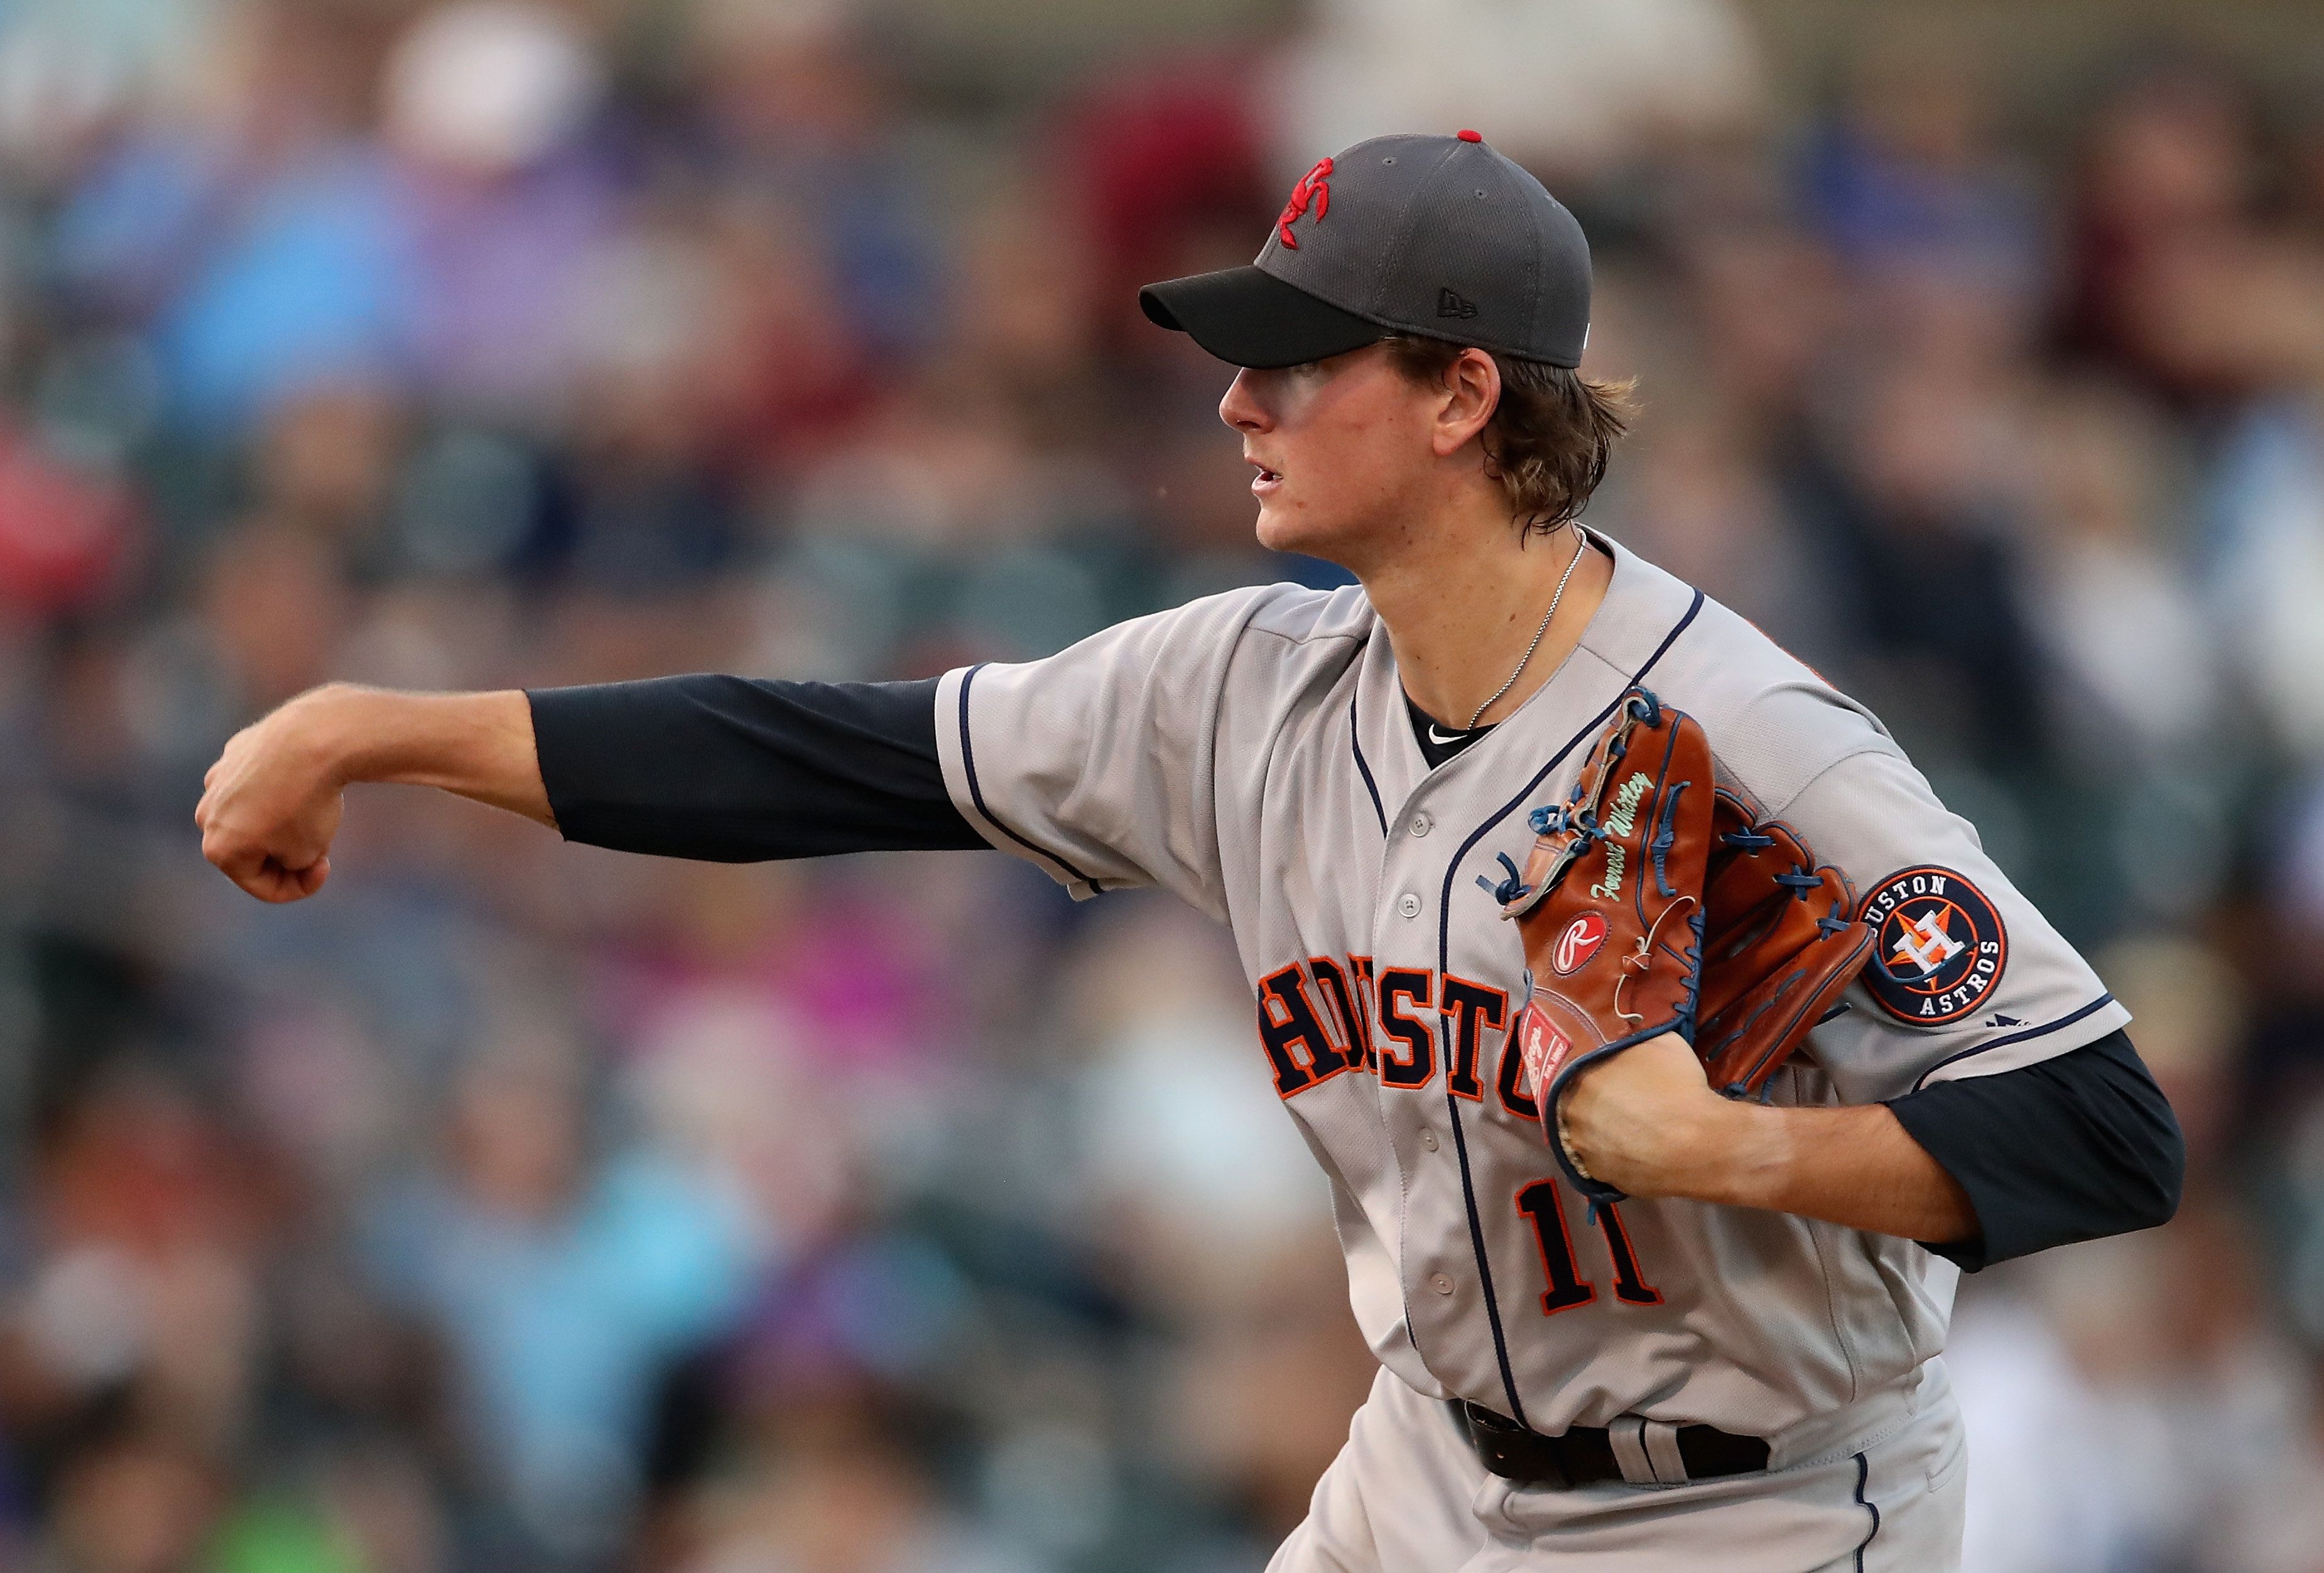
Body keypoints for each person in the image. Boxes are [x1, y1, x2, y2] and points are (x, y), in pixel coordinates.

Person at [198, 131, 2184, 1570]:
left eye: (1297, 359)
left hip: (1749, 1511)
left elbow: (2106, 1129)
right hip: (1424, 1481)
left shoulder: (1741, 751)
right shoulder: (1240, 689)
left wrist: (1729, 1148)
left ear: (1459, 399)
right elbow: (828, 759)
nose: (1233, 397)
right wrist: (377, 731)